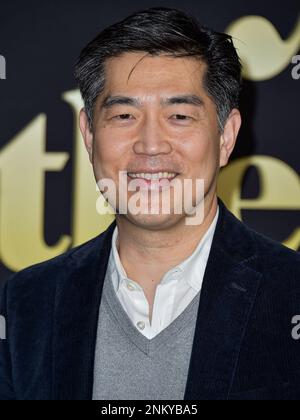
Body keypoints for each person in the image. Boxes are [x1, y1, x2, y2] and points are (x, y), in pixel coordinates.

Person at [0, 7, 299, 401]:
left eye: (179, 115)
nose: (151, 145)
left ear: (226, 136)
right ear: (89, 135)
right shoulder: (27, 303)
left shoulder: (290, 293)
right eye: (124, 115)